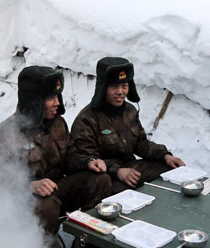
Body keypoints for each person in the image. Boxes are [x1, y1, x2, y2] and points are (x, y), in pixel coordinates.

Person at [0, 66, 111, 248]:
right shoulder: (5, 134)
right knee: (44, 204)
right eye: (50, 98)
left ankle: (88, 245)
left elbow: (70, 156)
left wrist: (88, 161)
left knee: (99, 180)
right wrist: (30, 186)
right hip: (24, 203)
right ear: (33, 101)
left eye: (57, 96)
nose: (57, 102)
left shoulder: (57, 123)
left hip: (56, 192)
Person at [70, 57, 184, 194]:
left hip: (132, 168)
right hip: (108, 176)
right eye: (114, 87)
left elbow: (141, 144)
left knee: (170, 172)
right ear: (103, 88)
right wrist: (117, 171)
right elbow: (89, 160)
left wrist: (165, 156)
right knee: (122, 192)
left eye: (124, 86)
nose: (120, 92)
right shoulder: (87, 119)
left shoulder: (130, 111)